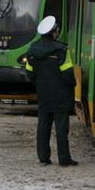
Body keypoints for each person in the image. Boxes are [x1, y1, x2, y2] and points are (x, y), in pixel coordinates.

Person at [26, 15, 78, 166]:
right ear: (54, 32)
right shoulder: (62, 50)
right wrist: (73, 85)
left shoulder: (32, 50)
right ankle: (64, 158)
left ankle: (43, 157)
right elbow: (67, 73)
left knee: (43, 126)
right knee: (61, 128)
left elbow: (30, 73)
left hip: (43, 93)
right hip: (61, 95)